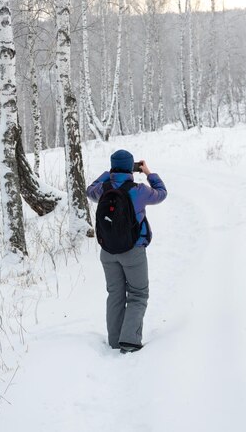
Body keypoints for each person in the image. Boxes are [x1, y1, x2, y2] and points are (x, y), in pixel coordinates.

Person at [86, 149, 167, 353]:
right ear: (132, 166)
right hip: (133, 252)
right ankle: (130, 340)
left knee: (115, 294)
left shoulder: (103, 189)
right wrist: (148, 173)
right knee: (138, 295)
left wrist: (109, 174)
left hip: (108, 252)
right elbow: (162, 193)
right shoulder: (139, 190)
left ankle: (115, 341)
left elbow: (89, 189)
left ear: (113, 167)